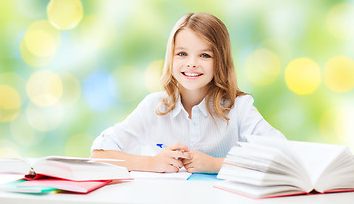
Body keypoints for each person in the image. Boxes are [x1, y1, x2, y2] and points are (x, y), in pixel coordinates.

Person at [90, 12, 286, 173]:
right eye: (182, 53)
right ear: (171, 58)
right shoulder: (154, 107)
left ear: (221, 61)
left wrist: (216, 165)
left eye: (205, 55)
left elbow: (282, 153)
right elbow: (99, 154)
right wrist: (152, 163)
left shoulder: (239, 108)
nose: (192, 63)